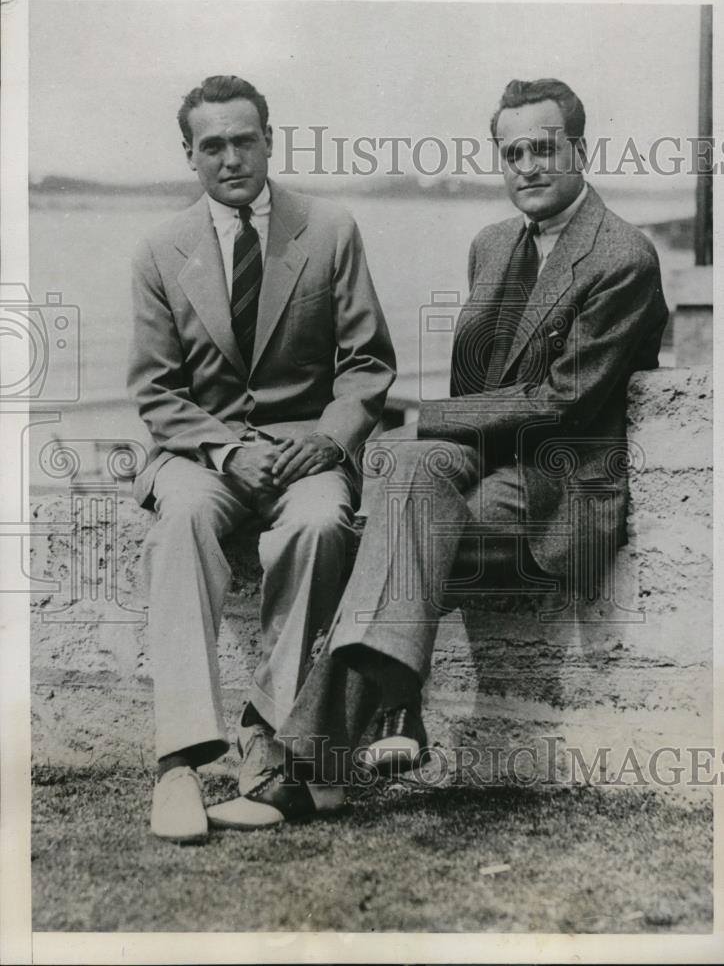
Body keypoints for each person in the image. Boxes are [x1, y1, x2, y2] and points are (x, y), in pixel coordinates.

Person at [223, 76, 669, 824]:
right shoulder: (490, 245)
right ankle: (390, 718)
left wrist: (419, 414)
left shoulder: (622, 257)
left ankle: (315, 756)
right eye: (512, 151)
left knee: (397, 504)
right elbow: (476, 387)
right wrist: (416, 431)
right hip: (483, 471)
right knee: (402, 469)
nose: (527, 165)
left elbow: (561, 402)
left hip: (561, 482)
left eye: (544, 148)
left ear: (580, 150)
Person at [128, 75, 396, 842]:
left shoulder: (330, 230)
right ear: (189, 154)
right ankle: (179, 763)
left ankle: (273, 739)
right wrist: (222, 449)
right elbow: (155, 389)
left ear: (270, 141)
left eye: (245, 139)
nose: (231, 157)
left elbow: (367, 364)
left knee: (320, 529)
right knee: (179, 521)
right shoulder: (158, 250)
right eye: (212, 144)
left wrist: (325, 439)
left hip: (304, 454)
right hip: (200, 457)